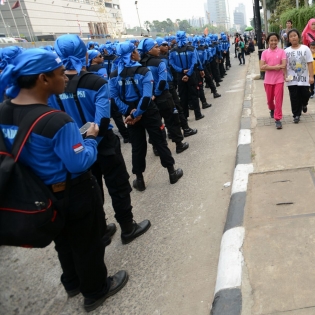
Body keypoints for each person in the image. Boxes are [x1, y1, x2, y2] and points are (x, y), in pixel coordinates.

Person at [0, 48, 128, 312]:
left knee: (63, 240)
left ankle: (71, 282)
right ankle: (95, 290)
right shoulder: (56, 120)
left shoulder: (4, 111)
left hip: (39, 192)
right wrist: (90, 137)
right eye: (60, 74)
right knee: (86, 243)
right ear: (43, 79)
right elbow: (79, 162)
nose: (66, 77)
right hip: (72, 190)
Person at [51, 34, 151, 245]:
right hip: (102, 144)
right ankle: (127, 227)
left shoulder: (52, 87)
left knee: (91, 189)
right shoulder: (96, 82)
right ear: (84, 54)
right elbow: (103, 119)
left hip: (74, 149)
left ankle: (101, 230)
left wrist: (81, 147)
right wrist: (92, 143)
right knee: (118, 186)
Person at [109, 42, 184, 191]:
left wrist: (130, 113)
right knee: (159, 141)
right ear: (132, 54)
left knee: (137, 147)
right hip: (147, 111)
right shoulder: (143, 71)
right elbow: (146, 96)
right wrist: (137, 113)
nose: (138, 53)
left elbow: (114, 98)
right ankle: (172, 172)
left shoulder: (114, 75)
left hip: (129, 113)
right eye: (136, 51)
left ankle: (140, 179)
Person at [138, 38, 190, 154]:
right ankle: (179, 144)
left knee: (155, 124)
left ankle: (157, 148)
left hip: (149, 97)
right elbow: (162, 81)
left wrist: (150, 95)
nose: (158, 49)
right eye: (156, 47)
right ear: (149, 50)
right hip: (162, 96)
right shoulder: (159, 62)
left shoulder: (140, 64)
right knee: (171, 119)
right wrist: (156, 94)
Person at [169, 31, 204, 120]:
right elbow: (194, 62)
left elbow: (171, 63)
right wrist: (188, 73)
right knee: (194, 95)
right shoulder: (191, 49)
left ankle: (185, 116)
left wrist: (181, 70)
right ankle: (198, 114)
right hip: (191, 75)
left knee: (183, 96)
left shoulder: (173, 51)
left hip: (180, 75)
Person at [285, 29, 314, 124]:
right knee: (294, 97)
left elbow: (310, 63)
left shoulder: (305, 48)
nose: (293, 37)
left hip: (304, 78)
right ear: (288, 39)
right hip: (291, 79)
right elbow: (284, 65)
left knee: (306, 94)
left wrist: (311, 76)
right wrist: (284, 76)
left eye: (295, 35)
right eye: (291, 36)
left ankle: (304, 104)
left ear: (298, 37)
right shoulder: (286, 51)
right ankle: (296, 115)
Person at [260, 33, 286, 129]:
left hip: (279, 80)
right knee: (270, 100)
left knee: (278, 100)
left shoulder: (282, 52)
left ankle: (278, 119)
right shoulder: (264, 53)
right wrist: (275, 67)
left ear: (278, 41)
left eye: (275, 40)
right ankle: (271, 109)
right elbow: (262, 67)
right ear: (268, 41)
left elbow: (283, 65)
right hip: (268, 81)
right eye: (271, 40)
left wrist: (269, 67)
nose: (273, 42)